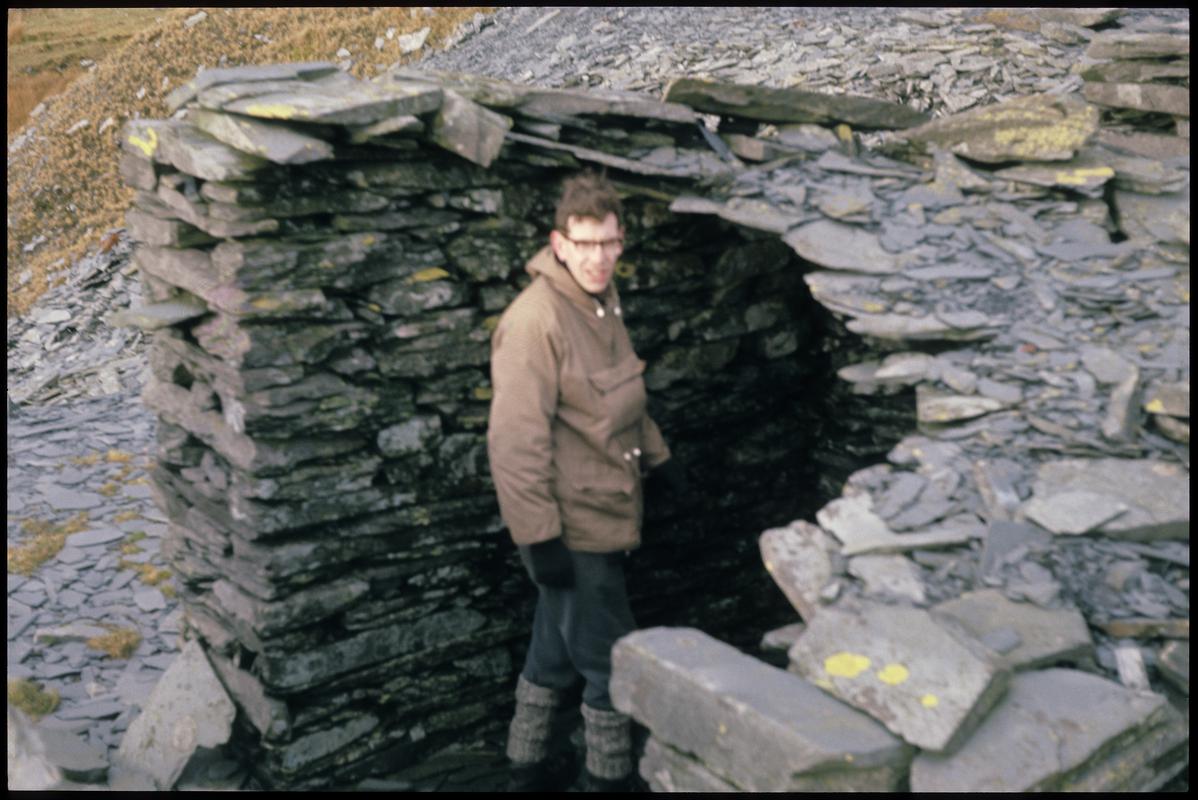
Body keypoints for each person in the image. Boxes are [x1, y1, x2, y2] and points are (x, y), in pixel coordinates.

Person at [487, 171, 686, 792]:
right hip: (573, 528)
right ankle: (608, 778)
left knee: (554, 647)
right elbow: (515, 443)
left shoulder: (602, 303)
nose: (599, 257)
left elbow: (624, 394)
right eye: (586, 244)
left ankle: (524, 769)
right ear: (559, 243)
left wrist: (661, 461)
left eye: (610, 243)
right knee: (610, 662)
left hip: (608, 506)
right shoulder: (534, 322)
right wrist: (539, 539)